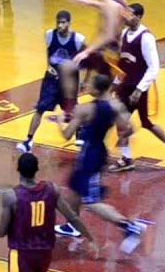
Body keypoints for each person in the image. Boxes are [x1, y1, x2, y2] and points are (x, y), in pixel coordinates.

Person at [50, 73, 147, 252]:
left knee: (90, 201)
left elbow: (66, 135)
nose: (87, 86)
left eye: (90, 85)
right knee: (76, 188)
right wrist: (122, 139)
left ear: (95, 88)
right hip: (99, 150)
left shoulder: (84, 109)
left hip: (90, 155)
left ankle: (129, 227)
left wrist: (57, 121)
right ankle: (72, 226)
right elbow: (130, 127)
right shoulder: (116, 106)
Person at [110, 3, 165, 173]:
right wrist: (115, 82)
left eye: (129, 15)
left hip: (140, 88)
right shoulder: (124, 34)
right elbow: (123, 63)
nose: (125, 17)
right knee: (120, 120)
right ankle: (126, 158)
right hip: (126, 85)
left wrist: (139, 90)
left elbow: (154, 67)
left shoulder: (146, 37)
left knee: (148, 123)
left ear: (138, 17)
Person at [17, 10, 85, 153]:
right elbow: (49, 53)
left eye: (63, 22)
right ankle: (28, 140)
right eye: (58, 22)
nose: (60, 25)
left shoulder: (78, 39)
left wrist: (84, 78)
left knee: (73, 108)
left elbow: (87, 57)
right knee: (40, 108)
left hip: (69, 80)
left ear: (69, 23)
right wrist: (49, 66)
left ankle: (80, 133)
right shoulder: (49, 35)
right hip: (51, 79)